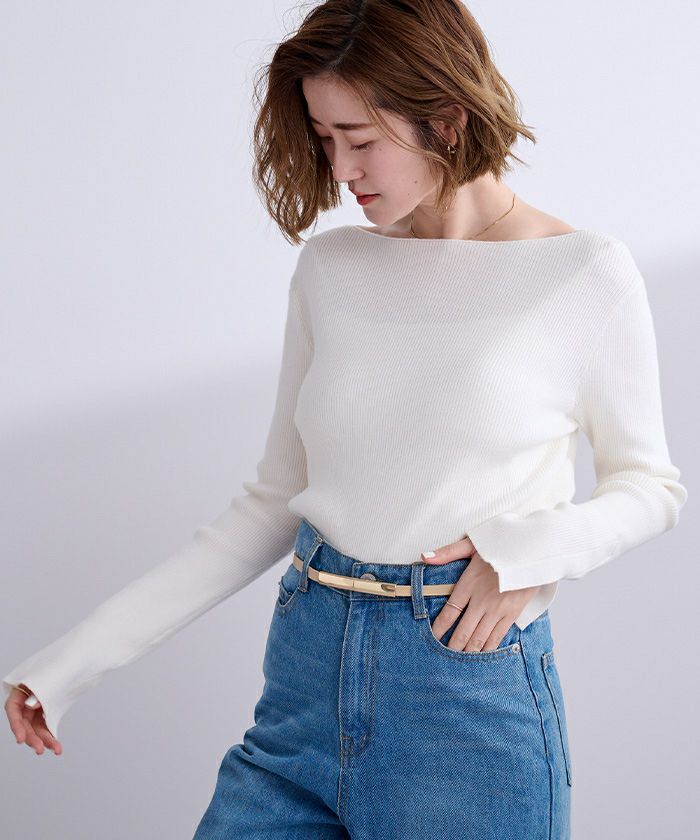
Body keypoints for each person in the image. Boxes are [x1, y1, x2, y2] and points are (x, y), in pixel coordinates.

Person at [4, 2, 687, 838]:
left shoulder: (582, 273)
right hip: (305, 678)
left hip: (466, 699)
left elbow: (649, 488)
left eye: (359, 140)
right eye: (325, 139)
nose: (340, 169)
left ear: (446, 119)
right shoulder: (332, 269)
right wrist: (70, 664)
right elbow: (272, 501)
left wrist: (528, 550)